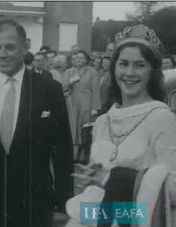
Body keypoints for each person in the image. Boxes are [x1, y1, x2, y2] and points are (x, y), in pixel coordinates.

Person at [0, 18, 74, 227]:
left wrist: (62, 204)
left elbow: (63, 151)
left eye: (9, 47)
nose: (1, 54)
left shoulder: (49, 90)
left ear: (25, 47)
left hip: (34, 206)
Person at [68, 24, 176, 227]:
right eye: (123, 64)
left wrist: (112, 179)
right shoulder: (102, 122)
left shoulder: (161, 118)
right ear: (114, 68)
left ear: (153, 71)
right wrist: (91, 182)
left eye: (140, 65)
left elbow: (173, 188)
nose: (129, 72)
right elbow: (98, 197)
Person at [62, 50, 101, 163]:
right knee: (73, 129)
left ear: (86, 60)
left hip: (87, 102)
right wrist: (70, 81)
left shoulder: (92, 71)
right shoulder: (69, 72)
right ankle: (73, 157)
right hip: (73, 102)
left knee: (84, 129)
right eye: (76, 57)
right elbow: (62, 87)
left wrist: (95, 108)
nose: (78, 60)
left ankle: (83, 157)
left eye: (81, 58)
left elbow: (96, 91)